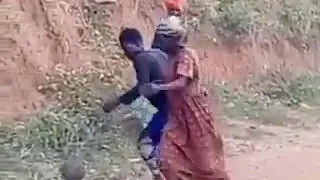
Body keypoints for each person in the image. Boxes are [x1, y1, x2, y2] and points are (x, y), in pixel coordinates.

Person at [139, 16, 231, 180]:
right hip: (177, 115)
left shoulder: (186, 55)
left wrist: (158, 87)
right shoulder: (168, 57)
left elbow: (182, 82)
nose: (157, 41)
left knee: (204, 162)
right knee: (168, 157)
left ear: (173, 39)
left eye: (162, 37)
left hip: (193, 114)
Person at [102, 28, 170, 177]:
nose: (127, 54)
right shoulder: (158, 54)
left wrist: (117, 102)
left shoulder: (141, 59)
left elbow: (143, 88)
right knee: (162, 150)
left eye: (126, 49)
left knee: (145, 145)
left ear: (130, 45)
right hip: (176, 109)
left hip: (168, 112)